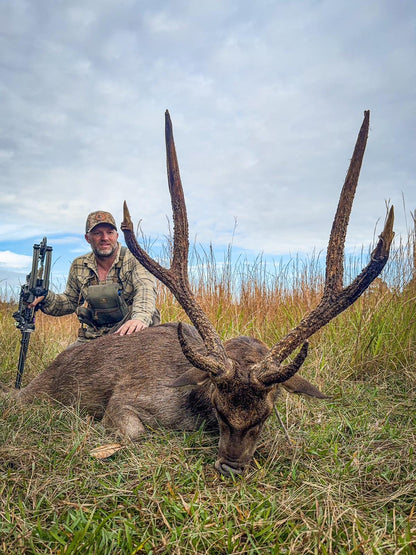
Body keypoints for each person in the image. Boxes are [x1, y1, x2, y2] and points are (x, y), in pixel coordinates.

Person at [30, 210, 160, 345]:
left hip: (130, 328)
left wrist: (139, 319)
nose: (105, 238)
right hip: (95, 334)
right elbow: (69, 302)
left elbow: (146, 289)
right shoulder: (79, 265)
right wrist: (46, 297)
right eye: (97, 233)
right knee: (65, 363)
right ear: (88, 238)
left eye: (109, 232)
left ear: (117, 235)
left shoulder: (136, 258)